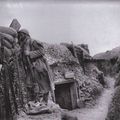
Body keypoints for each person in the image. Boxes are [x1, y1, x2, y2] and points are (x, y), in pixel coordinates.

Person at [18, 29, 51, 105]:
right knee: (31, 83)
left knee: (43, 83)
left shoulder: (33, 42)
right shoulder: (23, 44)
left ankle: (45, 100)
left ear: (25, 34)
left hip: (38, 65)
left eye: (21, 35)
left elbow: (42, 51)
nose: (20, 36)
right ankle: (36, 100)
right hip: (30, 67)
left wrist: (30, 53)